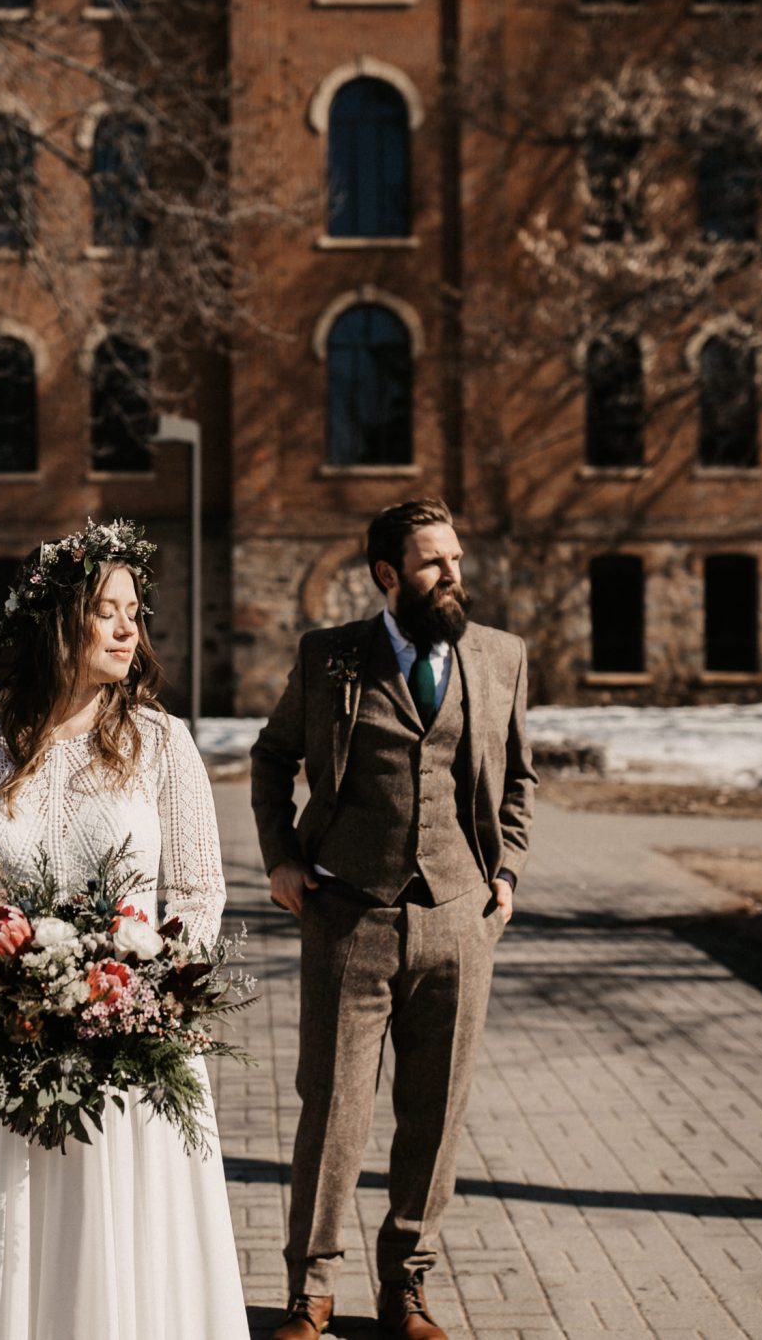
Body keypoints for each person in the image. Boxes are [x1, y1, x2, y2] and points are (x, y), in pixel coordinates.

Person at [0, 519, 247, 1339]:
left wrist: (138, 994)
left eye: (136, 610)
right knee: (17, 1250)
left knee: (128, 1257)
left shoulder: (162, 744)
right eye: (108, 609)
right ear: (59, 620)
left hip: (134, 1048)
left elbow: (199, 892)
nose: (131, 627)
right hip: (6, 1055)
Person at [251, 498, 536, 1340]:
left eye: (455, 558)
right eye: (433, 563)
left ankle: (405, 1287)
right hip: (349, 915)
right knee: (334, 1109)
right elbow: (273, 757)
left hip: (459, 917)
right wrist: (279, 858)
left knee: (436, 1110)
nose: (454, 575)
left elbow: (519, 775)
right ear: (388, 574)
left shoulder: (500, 657)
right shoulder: (331, 656)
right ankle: (312, 1290)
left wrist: (507, 870)